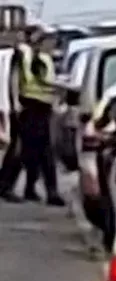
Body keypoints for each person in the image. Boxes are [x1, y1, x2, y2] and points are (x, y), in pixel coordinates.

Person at [13, 28, 62, 206]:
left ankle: (34, 189)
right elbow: (35, 80)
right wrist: (60, 88)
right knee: (34, 152)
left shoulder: (46, 59)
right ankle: (46, 191)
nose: (53, 45)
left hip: (43, 108)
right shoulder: (30, 57)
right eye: (50, 41)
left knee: (38, 153)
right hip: (32, 108)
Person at [0, 26, 32, 201]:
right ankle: (6, 186)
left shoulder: (11, 54)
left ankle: (5, 185)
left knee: (14, 149)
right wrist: (15, 105)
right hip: (10, 107)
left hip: (9, 106)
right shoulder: (14, 55)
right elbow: (12, 82)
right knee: (16, 149)